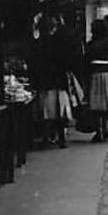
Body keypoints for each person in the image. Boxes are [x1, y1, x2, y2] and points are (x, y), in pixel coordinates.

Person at [31, 14, 78, 148]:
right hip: (59, 80)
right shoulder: (60, 41)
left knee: (46, 111)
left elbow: (35, 62)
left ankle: (46, 138)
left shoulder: (39, 43)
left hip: (45, 81)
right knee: (60, 111)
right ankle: (61, 138)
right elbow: (67, 59)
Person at [82, 18, 108, 142]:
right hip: (107, 74)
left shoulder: (90, 45)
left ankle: (99, 130)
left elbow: (85, 63)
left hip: (94, 75)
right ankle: (105, 128)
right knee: (105, 104)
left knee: (96, 104)